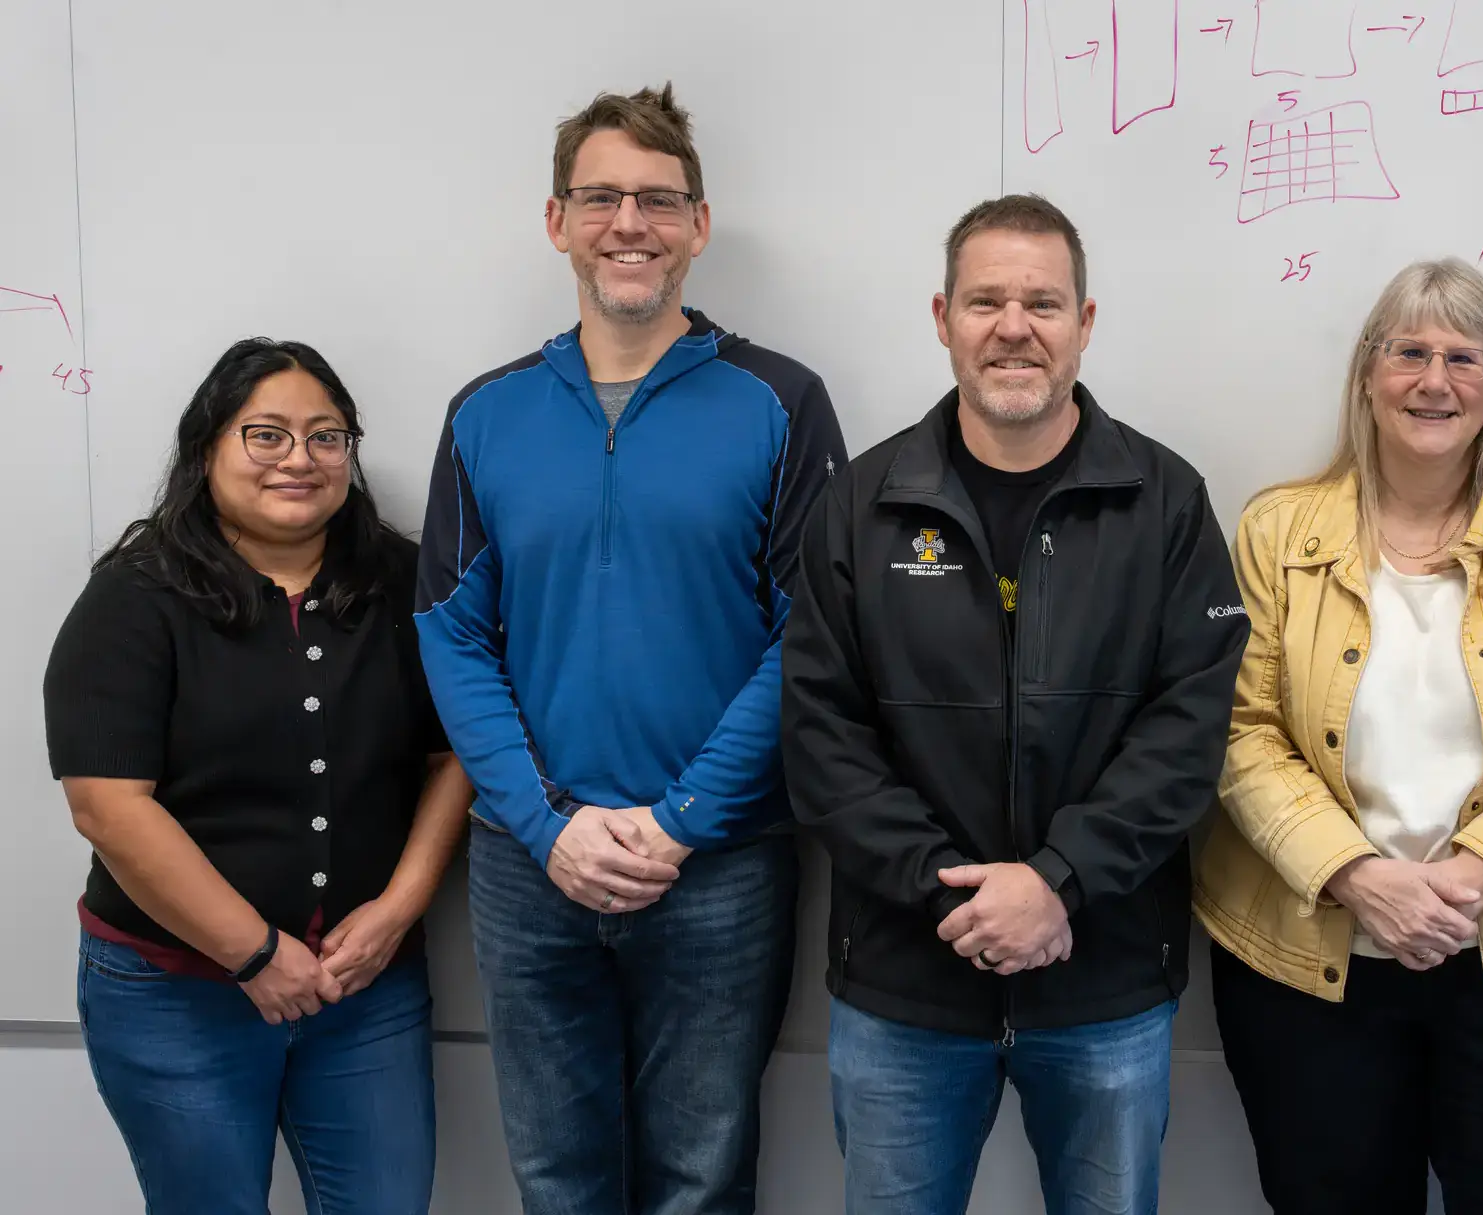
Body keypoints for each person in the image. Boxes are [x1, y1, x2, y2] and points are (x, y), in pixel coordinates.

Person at [414, 83, 845, 1215]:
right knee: (558, 1180)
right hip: (527, 865)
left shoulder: (782, 401)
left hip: (721, 862)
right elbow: (452, 635)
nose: (629, 223)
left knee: (702, 1181)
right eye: (601, 197)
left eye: (658, 199)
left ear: (699, 224)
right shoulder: (485, 412)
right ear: (556, 220)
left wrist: (681, 818)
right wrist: (548, 824)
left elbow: (811, 635)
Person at [780, 193, 1249, 1215]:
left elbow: (1188, 732)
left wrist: (1056, 883)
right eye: (986, 300)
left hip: (1102, 983)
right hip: (906, 982)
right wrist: (952, 895)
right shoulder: (858, 507)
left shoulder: (1166, 503)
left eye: (1043, 302)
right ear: (942, 317)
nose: (1013, 327)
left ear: (1085, 322)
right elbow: (822, 736)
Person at [1195, 258, 1483, 1215]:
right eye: (1409, 352)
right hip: (1311, 975)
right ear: (1368, 372)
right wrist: (1358, 876)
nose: (1434, 380)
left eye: (1463, 357)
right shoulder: (1276, 531)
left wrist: (1480, 874)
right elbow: (1240, 732)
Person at [44, 338, 470, 1215]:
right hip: (174, 990)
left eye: (326, 436)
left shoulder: (404, 581)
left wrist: (398, 910)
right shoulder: (134, 596)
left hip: (365, 987)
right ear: (207, 448)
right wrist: (255, 952)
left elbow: (454, 755)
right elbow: (108, 807)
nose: (299, 459)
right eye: (265, 434)